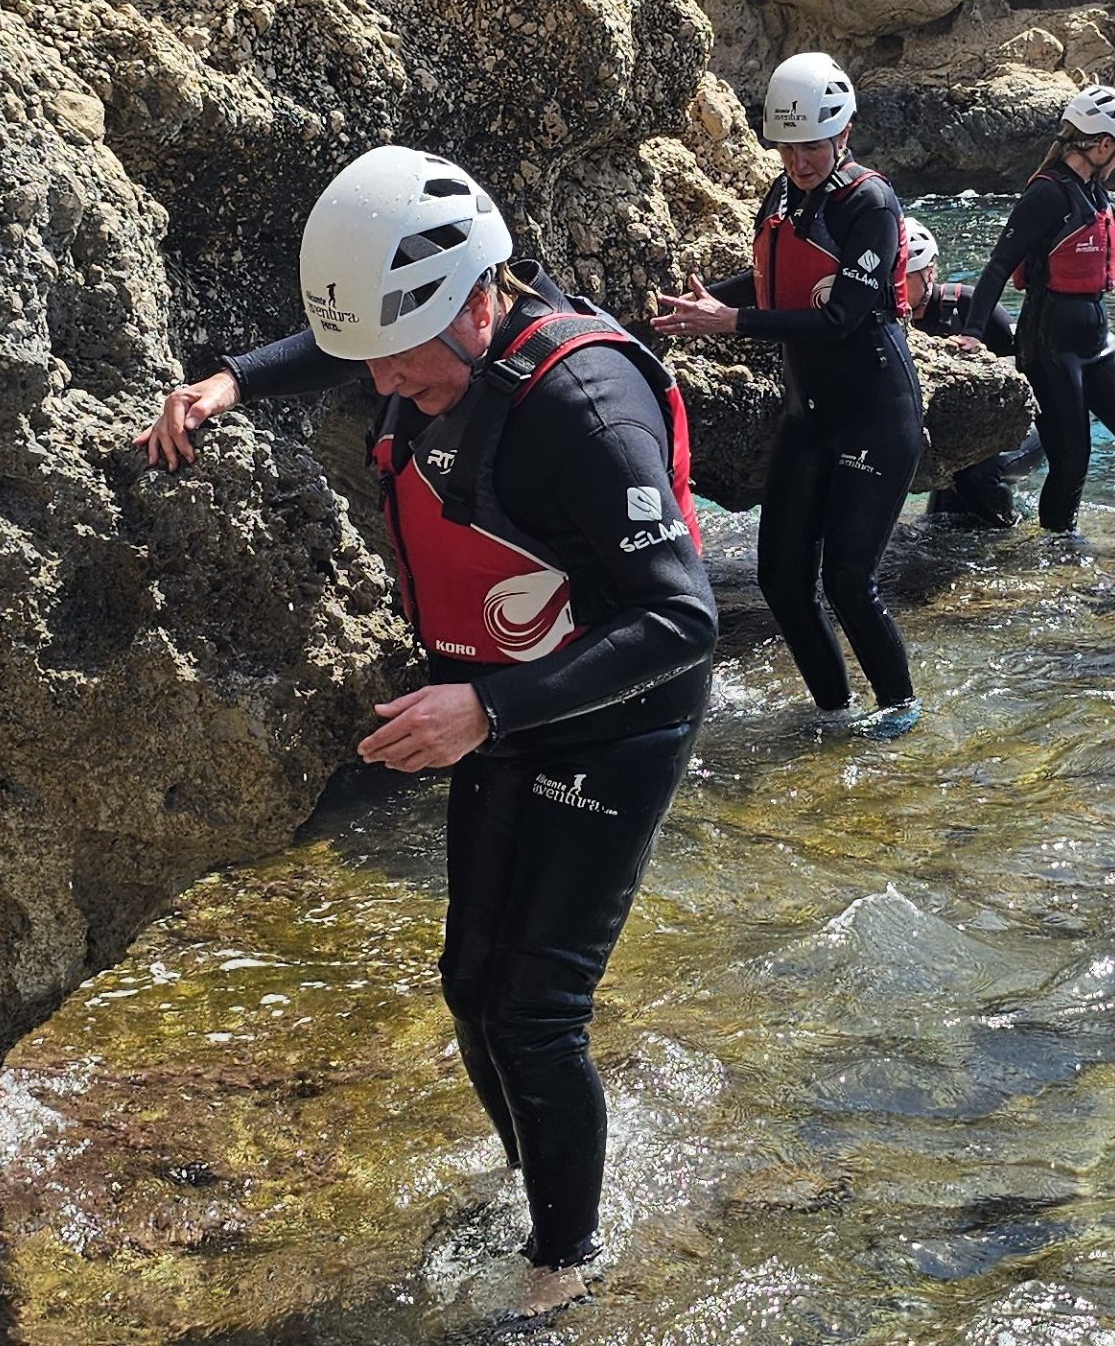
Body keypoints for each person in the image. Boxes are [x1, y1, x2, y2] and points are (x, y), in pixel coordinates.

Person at [136, 146, 717, 1316]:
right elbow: (358, 341)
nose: (387, 382)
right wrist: (234, 381)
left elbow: (683, 619)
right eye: (372, 361)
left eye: (405, 356)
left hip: (614, 719)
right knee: (467, 986)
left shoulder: (585, 413)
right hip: (498, 708)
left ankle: (567, 1266)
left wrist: (487, 707)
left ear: (479, 300)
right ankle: (543, 1177)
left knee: (536, 1010)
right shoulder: (418, 349)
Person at [653, 52, 923, 732]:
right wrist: (705, 302)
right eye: (786, 147)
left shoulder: (869, 202)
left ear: (844, 132)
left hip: (875, 414)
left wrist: (732, 322)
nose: (798, 160)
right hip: (809, 416)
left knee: (848, 582)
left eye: (811, 146)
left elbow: (842, 316)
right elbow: (773, 282)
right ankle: (835, 711)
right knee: (780, 579)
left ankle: (900, 711)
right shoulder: (781, 196)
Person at [957, 85, 1115, 535]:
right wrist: (974, 333)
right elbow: (999, 265)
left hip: (1098, 342)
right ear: (1103, 145)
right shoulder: (1048, 194)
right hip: (1050, 346)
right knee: (1072, 461)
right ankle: (1060, 550)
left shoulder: (1094, 192)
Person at [903, 216, 1041, 527]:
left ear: (929, 271)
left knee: (976, 475)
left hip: (1020, 428)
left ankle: (1013, 533)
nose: (897, 286)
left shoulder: (968, 305)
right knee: (941, 519)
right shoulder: (893, 320)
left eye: (905, 277)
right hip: (960, 438)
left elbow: (1026, 372)